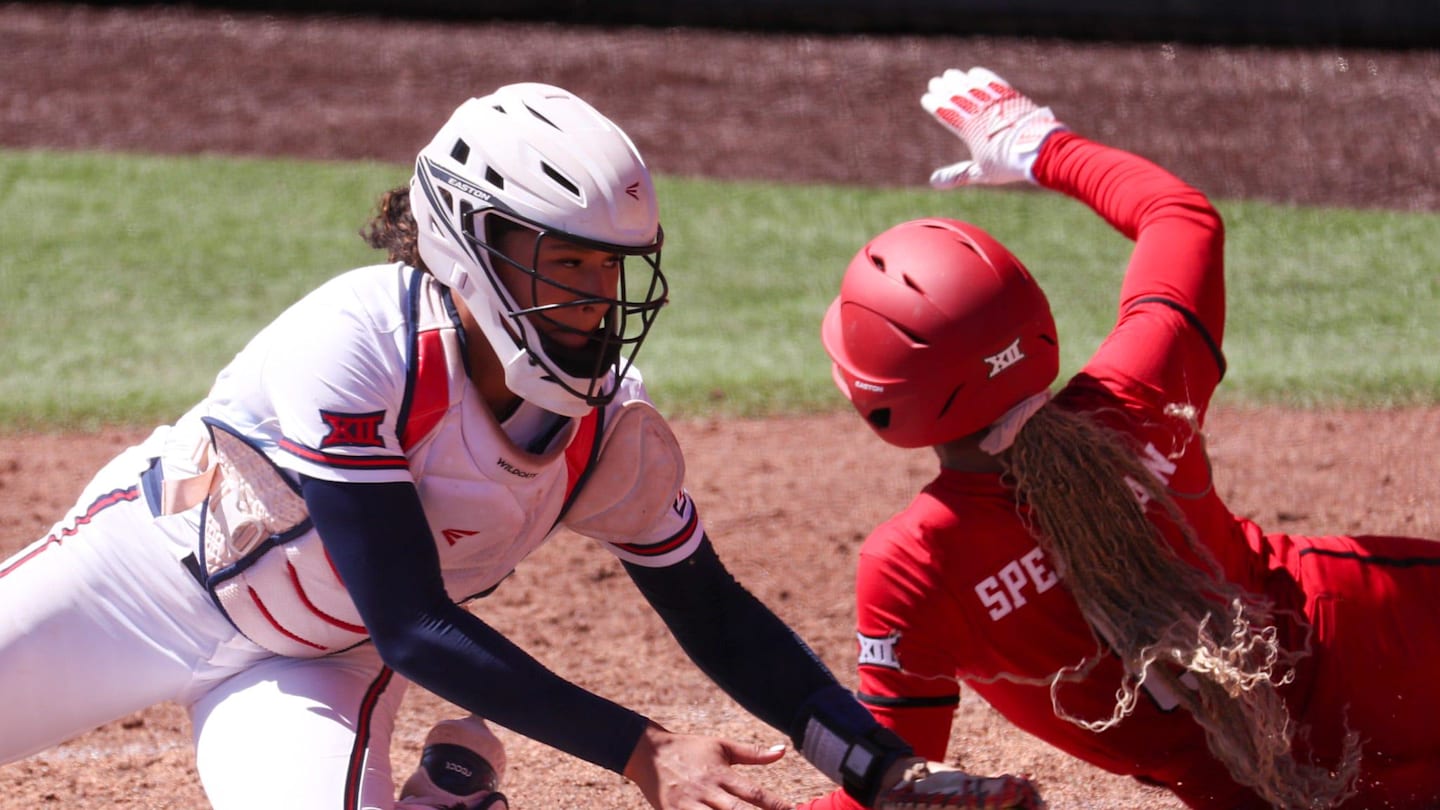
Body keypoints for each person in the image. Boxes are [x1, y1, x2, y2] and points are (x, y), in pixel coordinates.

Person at [0, 82, 1035, 810]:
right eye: (565, 261)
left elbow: (714, 614)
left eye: (611, 268)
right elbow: (413, 621)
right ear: (469, 241)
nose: (594, 297)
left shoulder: (607, 436)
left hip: (320, 667)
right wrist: (643, 751)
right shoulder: (361, 339)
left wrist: (883, 771)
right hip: (137, 580)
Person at [803, 66, 1440, 810]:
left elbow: (889, 779)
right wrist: (1039, 145)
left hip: (1260, 791)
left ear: (882, 405)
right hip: (1383, 636)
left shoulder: (915, 566)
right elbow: (1181, 215)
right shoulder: (1140, 385)